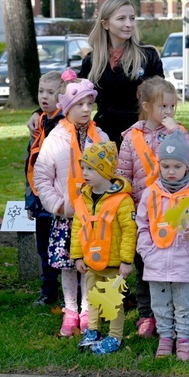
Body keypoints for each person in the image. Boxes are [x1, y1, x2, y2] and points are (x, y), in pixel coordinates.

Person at [116, 77, 189, 338]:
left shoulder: (178, 133)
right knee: (145, 264)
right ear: (147, 107)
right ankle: (147, 314)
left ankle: (175, 311)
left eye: (173, 107)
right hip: (143, 213)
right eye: (164, 107)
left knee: (173, 263)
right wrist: (125, 204)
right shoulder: (130, 137)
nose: (169, 112)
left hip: (170, 212)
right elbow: (123, 175)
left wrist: (176, 134)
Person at [33, 74, 108, 337]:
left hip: (94, 217)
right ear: (67, 107)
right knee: (67, 266)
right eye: (79, 104)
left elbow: (112, 172)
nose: (86, 109)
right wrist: (58, 205)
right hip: (67, 216)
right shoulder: (56, 138)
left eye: (89, 103)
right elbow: (42, 175)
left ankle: (88, 310)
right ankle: (70, 310)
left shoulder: (100, 137)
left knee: (89, 265)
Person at [136, 131, 189, 360]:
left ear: (187, 166)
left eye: (176, 166)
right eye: (166, 166)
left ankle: (183, 338)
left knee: (183, 302)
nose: (170, 171)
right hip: (155, 260)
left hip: (184, 260)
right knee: (160, 303)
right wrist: (146, 251)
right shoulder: (150, 193)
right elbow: (142, 224)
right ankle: (165, 337)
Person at [71, 141, 136, 355]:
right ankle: (93, 330)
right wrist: (78, 256)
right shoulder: (84, 198)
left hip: (114, 262)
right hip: (91, 261)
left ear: (105, 170)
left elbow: (129, 231)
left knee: (112, 301)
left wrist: (127, 261)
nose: (85, 173)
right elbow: (77, 228)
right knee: (92, 297)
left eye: (91, 168)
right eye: (83, 168)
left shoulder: (122, 200)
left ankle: (115, 336)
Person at [75, 0, 163, 146]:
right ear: (105, 24)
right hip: (103, 136)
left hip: (141, 135)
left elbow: (162, 98)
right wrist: (39, 113)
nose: (129, 24)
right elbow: (74, 97)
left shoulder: (148, 55)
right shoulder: (91, 60)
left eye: (132, 18)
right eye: (121, 19)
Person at [25, 70, 64, 306]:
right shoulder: (40, 121)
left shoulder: (64, 124)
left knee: (62, 246)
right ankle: (48, 291)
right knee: (43, 247)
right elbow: (30, 164)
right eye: (41, 91)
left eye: (51, 92)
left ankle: (72, 293)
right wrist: (30, 200)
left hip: (58, 199)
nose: (44, 97)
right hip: (39, 197)